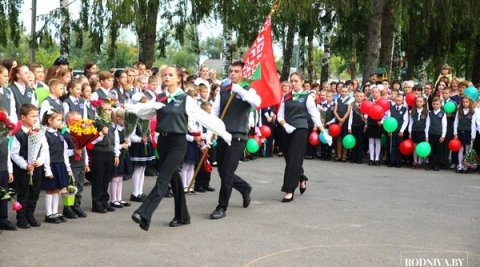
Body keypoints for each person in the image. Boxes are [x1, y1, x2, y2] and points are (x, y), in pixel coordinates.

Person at [129, 65, 231, 230]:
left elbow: (204, 118)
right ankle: (183, 216)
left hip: (178, 143)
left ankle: (144, 213)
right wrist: (143, 108)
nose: (167, 77)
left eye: (170, 75)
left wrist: (223, 133)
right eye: (164, 75)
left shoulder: (185, 99)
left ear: (178, 78)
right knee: (174, 180)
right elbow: (144, 114)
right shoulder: (160, 98)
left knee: (163, 178)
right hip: (163, 143)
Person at [209, 61, 260, 219]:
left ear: (242, 73)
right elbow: (215, 112)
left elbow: (257, 103)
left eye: (236, 71)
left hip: (238, 136)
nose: (233, 74)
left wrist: (240, 91)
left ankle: (221, 206)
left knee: (228, 171)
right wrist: (210, 132)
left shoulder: (248, 89)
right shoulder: (224, 89)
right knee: (223, 172)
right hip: (223, 135)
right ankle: (244, 187)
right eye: (231, 71)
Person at [277, 72, 331, 202]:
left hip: (300, 129)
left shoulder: (307, 97)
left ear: (302, 82)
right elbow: (280, 115)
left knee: (295, 158)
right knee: (289, 158)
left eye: (296, 81)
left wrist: (324, 132)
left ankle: (289, 190)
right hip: (287, 129)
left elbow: (315, 116)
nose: (293, 83)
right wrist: (285, 125)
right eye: (292, 81)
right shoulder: (286, 97)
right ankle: (301, 177)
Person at [11, 104, 47, 228]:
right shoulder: (18, 134)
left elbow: (44, 149)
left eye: (36, 116)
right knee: (23, 193)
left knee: (35, 193)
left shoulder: (39, 131)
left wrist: (40, 161)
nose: (35, 119)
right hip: (24, 169)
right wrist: (24, 165)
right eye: (32, 116)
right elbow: (14, 153)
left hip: (36, 167)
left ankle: (30, 215)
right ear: (23, 117)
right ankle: (21, 218)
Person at [41, 108, 72, 223]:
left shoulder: (60, 135)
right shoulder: (45, 135)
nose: (61, 122)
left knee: (58, 190)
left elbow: (64, 152)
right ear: (49, 120)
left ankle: (55, 212)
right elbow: (46, 154)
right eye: (58, 120)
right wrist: (47, 170)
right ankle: (49, 214)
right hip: (51, 165)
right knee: (50, 190)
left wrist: (68, 167)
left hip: (60, 164)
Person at [89, 99, 120, 213]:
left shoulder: (111, 123)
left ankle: (104, 201)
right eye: (105, 109)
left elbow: (115, 140)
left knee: (106, 178)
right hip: (99, 152)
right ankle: (96, 203)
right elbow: (91, 141)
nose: (107, 112)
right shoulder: (96, 122)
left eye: (109, 109)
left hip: (109, 152)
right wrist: (101, 134)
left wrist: (116, 154)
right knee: (98, 178)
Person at [62, 111, 88, 218]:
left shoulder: (80, 133)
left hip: (80, 163)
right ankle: (68, 208)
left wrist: (86, 163)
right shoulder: (65, 135)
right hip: (72, 164)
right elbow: (63, 152)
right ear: (69, 122)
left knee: (80, 186)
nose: (80, 123)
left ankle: (76, 206)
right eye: (77, 121)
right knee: (71, 187)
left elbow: (84, 149)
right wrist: (73, 151)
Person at [110, 109, 132, 208]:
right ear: (118, 119)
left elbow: (129, 142)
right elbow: (114, 144)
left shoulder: (124, 129)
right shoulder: (115, 130)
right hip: (117, 154)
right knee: (115, 177)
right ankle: (113, 199)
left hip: (124, 154)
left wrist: (127, 142)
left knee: (120, 178)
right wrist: (121, 146)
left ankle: (119, 198)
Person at [0, 108, 16, 230]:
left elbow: (8, 154)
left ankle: (3, 218)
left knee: (4, 195)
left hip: (4, 169)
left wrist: (10, 170)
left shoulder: (5, 135)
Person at [425, 97, 447, 171]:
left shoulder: (442, 113)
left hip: (439, 134)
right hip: (431, 133)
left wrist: (443, 135)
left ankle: (437, 164)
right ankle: (430, 163)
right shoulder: (430, 113)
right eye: (434, 104)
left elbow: (444, 125)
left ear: (440, 104)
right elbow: (427, 124)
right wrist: (426, 135)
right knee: (431, 149)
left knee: (438, 150)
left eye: (437, 104)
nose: (435, 105)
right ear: (431, 104)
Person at [387, 94, 408, 168]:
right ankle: (391, 161)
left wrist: (402, 131)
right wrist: (389, 130)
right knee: (392, 146)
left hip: (399, 130)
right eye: (396, 100)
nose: (398, 102)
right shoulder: (391, 108)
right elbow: (388, 119)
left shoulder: (404, 109)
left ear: (402, 101)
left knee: (399, 146)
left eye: (399, 100)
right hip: (392, 130)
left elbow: (405, 121)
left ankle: (398, 161)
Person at [454, 97, 475, 173]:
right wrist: (455, 133)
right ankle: (460, 165)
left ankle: (466, 166)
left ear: (470, 103)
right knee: (460, 148)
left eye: (466, 102)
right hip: (460, 131)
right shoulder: (459, 111)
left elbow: (473, 124)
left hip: (468, 132)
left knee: (467, 149)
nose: (465, 104)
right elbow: (456, 122)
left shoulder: (472, 112)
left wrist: (473, 135)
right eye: (463, 102)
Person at [333, 86, 352, 162]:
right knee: (339, 138)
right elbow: (335, 111)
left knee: (345, 138)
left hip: (346, 121)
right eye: (342, 91)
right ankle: (339, 155)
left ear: (348, 92)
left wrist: (343, 120)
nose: (344, 93)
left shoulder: (350, 99)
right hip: (338, 120)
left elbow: (348, 111)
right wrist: (339, 119)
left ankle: (344, 155)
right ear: (340, 92)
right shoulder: (337, 99)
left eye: (345, 91)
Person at [365, 86, 383, 166]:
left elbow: (385, 113)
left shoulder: (382, 102)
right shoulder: (369, 101)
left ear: (379, 93)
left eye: (376, 92)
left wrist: (381, 122)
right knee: (371, 140)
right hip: (371, 122)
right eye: (373, 92)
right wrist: (365, 119)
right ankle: (372, 158)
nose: (374, 94)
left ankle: (377, 158)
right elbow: (366, 111)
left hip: (378, 123)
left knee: (378, 141)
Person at [408, 96, 428, 169]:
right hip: (414, 130)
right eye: (417, 101)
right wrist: (410, 132)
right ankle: (415, 161)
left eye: (420, 101)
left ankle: (419, 161)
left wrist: (426, 134)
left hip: (422, 131)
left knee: (420, 147)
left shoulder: (426, 112)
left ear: (424, 102)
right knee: (414, 147)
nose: (418, 103)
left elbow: (427, 123)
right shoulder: (412, 111)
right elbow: (411, 122)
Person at [347, 91, 366, 164]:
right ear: (355, 97)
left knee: (360, 142)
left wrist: (366, 126)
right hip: (354, 125)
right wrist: (349, 127)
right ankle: (353, 157)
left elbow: (366, 116)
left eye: (361, 96)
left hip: (361, 126)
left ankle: (359, 158)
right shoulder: (353, 105)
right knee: (353, 141)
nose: (359, 97)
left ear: (364, 97)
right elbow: (350, 116)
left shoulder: (365, 105)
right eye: (357, 96)